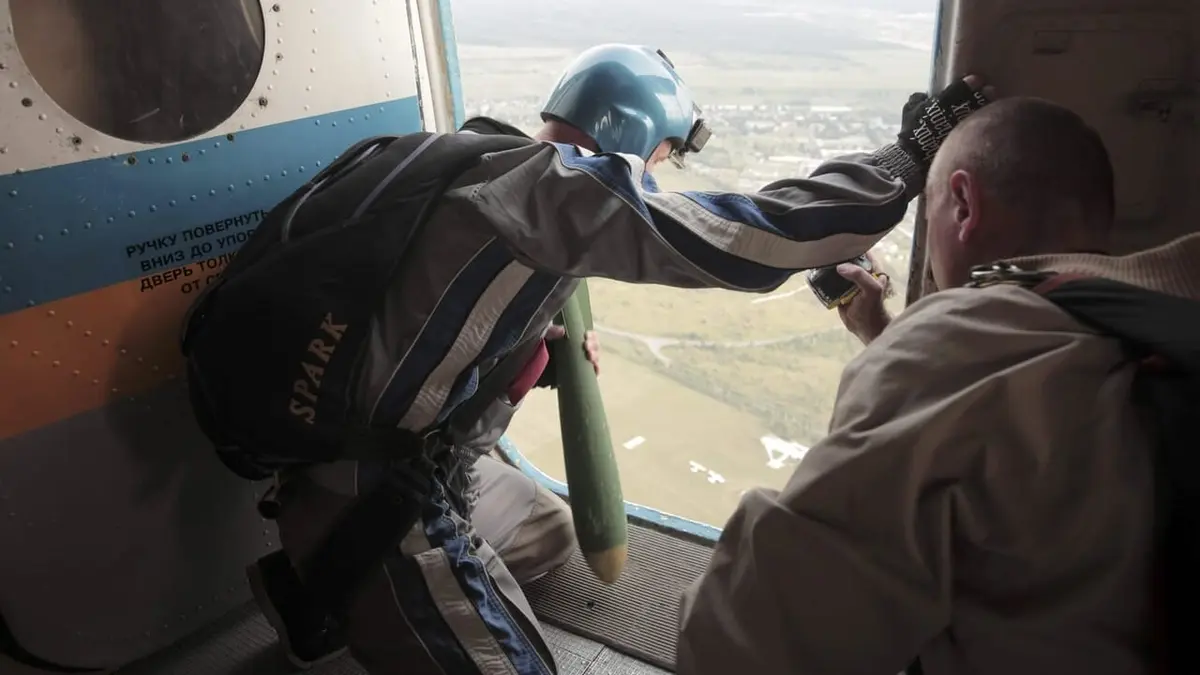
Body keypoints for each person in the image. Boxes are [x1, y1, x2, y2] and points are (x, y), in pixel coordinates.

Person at [220, 44, 995, 675]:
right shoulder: (553, 195)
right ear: (631, 139)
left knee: (546, 532)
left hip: (336, 454)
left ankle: (318, 582)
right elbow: (752, 238)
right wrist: (904, 159)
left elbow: (428, 341)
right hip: (374, 499)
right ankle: (339, 579)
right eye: (658, 157)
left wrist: (530, 359)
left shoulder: (473, 160)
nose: (653, 176)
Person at [677, 96, 1200, 674]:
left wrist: (910, 350)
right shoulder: (1163, 304)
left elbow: (745, 644)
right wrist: (880, 331)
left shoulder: (961, 342)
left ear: (964, 204)